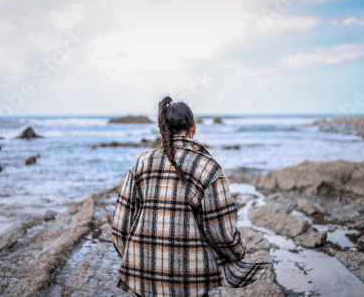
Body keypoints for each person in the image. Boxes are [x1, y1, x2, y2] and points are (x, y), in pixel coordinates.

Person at [112, 96, 271, 297]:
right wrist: (238, 253)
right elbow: (221, 234)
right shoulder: (209, 168)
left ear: (163, 129)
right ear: (193, 127)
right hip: (190, 281)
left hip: (142, 277)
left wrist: (133, 258)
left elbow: (120, 227)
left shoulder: (141, 163)